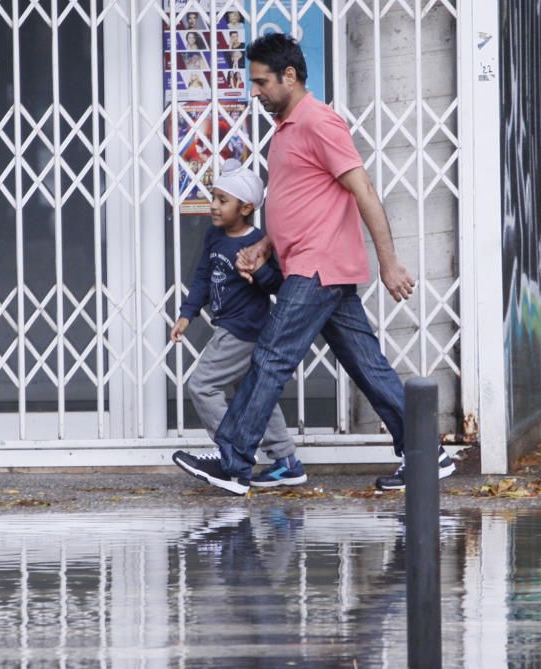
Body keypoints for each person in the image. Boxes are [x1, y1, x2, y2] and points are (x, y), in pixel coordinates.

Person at [172, 33, 455, 495]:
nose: (255, 92)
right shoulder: (284, 130)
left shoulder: (320, 123)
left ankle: (235, 462)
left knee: (268, 359)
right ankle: (427, 453)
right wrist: (265, 246)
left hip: (317, 268)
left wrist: (388, 262)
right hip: (315, 265)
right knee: (367, 365)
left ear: (289, 76)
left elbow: (362, 190)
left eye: (262, 82)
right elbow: (300, 203)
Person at [171, 160, 307, 488]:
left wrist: (257, 271)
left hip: (243, 330)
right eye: (214, 197)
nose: (213, 206)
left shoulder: (259, 241)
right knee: (256, 393)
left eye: (222, 200)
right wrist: (187, 313)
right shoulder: (215, 237)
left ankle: (231, 454)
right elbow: (203, 275)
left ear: (245, 207)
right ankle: (287, 461)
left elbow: (277, 284)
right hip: (232, 327)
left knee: (202, 386)